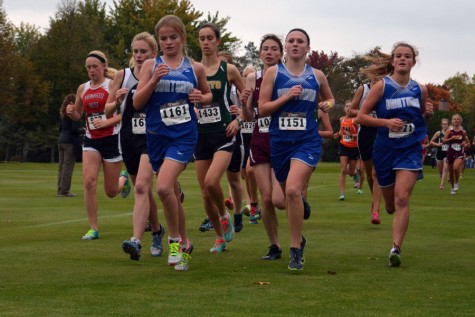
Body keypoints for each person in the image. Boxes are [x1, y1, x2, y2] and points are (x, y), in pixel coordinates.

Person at [133, 15, 212, 271]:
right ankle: (187, 243)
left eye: (173, 37)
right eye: (163, 38)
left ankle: (175, 240)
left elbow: (207, 94)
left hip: (184, 136)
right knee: (173, 195)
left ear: (183, 38)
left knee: (164, 188)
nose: (168, 42)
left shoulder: (195, 67)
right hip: (156, 138)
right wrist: (154, 79)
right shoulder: (150, 66)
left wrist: (202, 97)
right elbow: (137, 103)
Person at [259, 28, 334, 271]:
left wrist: (327, 104)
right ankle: (299, 238)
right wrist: (287, 97)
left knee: (292, 190)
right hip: (279, 143)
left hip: (307, 142)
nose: (294, 44)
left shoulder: (317, 75)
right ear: (286, 46)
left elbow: (331, 100)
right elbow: (263, 109)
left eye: (299, 41)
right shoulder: (273, 73)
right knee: (286, 196)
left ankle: (294, 250)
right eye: (290, 40)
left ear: (307, 48)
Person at [356, 42, 433, 267]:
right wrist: (386, 122)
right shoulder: (382, 86)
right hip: (384, 149)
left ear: (413, 62)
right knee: (390, 204)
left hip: (410, 148)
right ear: (392, 61)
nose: (402, 59)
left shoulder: (421, 89)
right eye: (398, 56)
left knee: (402, 197)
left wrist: (427, 114)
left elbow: (420, 116)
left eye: (407, 56)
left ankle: (396, 247)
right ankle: (388, 210)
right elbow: (361, 117)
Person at [103, 32, 166, 261]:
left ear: (153, 53)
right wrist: (117, 101)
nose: (139, 56)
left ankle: (136, 240)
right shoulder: (122, 75)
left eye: (143, 52)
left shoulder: (159, 73)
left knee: (141, 186)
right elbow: (107, 111)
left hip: (151, 136)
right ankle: (157, 230)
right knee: (144, 190)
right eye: (135, 51)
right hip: (128, 137)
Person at [67, 50, 131, 240]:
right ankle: (93, 228)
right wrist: (71, 112)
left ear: (104, 66)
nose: (91, 70)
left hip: (111, 139)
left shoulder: (112, 85)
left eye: (95, 66)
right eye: (88, 67)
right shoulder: (82, 88)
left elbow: (126, 114)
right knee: (88, 181)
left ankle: (123, 180)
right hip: (91, 140)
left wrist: (108, 122)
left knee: (111, 192)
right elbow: (79, 115)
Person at [194, 23, 246, 253]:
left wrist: (239, 120)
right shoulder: (192, 70)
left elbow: (247, 101)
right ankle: (219, 237)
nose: (205, 42)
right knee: (205, 194)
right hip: (200, 134)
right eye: (201, 38)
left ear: (217, 41)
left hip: (224, 132)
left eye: (209, 38)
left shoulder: (229, 69)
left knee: (211, 181)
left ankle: (225, 216)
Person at [242, 34, 287, 260]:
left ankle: (298, 208)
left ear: (281, 54)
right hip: (260, 138)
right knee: (266, 198)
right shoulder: (252, 78)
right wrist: (244, 103)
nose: (269, 52)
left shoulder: (288, 77)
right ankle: (275, 245)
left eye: (274, 49)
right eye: (265, 49)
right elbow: (248, 117)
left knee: (281, 199)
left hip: (283, 139)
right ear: (260, 54)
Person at [350, 58, 385, 225]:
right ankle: (375, 200)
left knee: (376, 174)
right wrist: (364, 112)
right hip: (365, 133)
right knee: (370, 175)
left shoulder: (387, 90)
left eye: (380, 75)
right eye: (374, 75)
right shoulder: (363, 89)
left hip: (381, 131)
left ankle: (376, 211)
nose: (376, 78)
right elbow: (350, 111)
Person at [334, 101, 363, 201]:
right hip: (344, 146)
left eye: (350, 106)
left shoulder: (356, 120)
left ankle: (354, 173)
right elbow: (341, 131)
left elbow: (360, 134)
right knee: (343, 170)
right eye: (346, 106)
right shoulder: (341, 119)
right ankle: (342, 193)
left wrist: (351, 135)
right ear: (344, 108)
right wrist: (337, 134)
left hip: (354, 147)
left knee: (350, 172)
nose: (348, 108)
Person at [57, 94, 82, 197]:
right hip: (69, 142)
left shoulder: (63, 113)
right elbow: (74, 130)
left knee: (61, 168)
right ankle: (64, 191)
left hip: (61, 141)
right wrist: (83, 130)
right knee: (68, 167)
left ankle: (60, 189)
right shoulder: (72, 114)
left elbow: (60, 128)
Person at [442, 114, 470, 195]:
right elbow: (443, 140)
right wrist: (451, 138)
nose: (456, 120)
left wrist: (463, 143)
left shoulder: (462, 132)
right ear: (452, 121)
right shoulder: (449, 131)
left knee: (455, 168)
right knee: (451, 172)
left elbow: (465, 140)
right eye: (454, 119)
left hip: (459, 153)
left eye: (458, 119)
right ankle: (452, 187)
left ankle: (456, 182)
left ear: (460, 121)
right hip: (450, 152)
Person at [429, 118, 449, 189]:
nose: (445, 126)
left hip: (448, 153)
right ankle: (441, 175)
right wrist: (438, 144)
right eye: (444, 124)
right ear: (441, 125)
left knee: (445, 168)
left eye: (446, 124)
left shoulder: (450, 133)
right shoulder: (438, 133)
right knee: (440, 170)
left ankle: (442, 185)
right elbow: (431, 141)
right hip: (440, 153)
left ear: (448, 125)